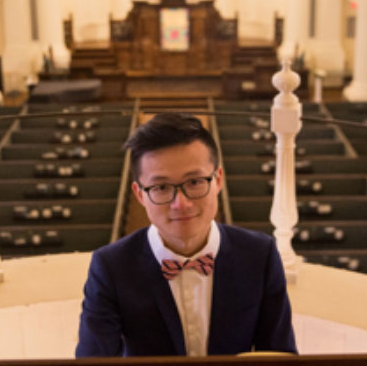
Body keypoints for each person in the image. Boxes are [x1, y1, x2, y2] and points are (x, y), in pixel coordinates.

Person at [76, 112, 297, 357]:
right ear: (140, 195)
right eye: (161, 187)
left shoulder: (260, 255)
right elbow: (92, 362)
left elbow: (280, 357)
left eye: (194, 182)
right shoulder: (110, 266)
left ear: (218, 180)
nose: (181, 204)